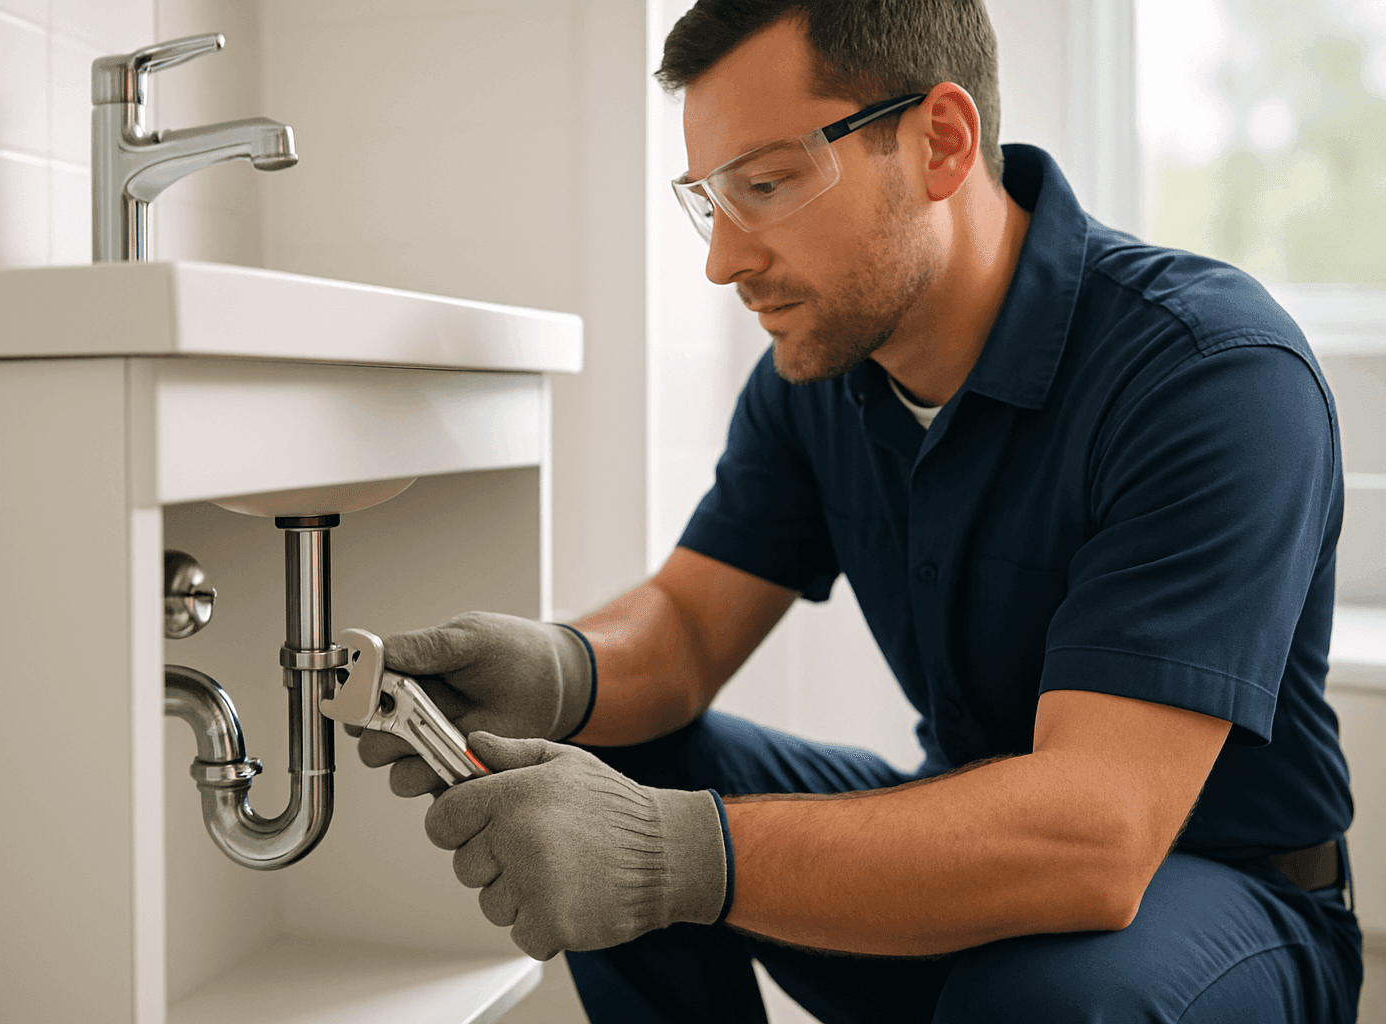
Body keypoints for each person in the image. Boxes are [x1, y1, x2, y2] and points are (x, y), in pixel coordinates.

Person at [351, 1, 1365, 1020]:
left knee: (1045, 1000)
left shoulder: (1206, 374)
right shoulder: (820, 375)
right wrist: (560, 668)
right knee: (604, 744)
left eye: (768, 184)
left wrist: (677, 855)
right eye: (713, 200)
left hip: (1224, 892)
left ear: (942, 142)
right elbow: (691, 625)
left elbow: (1093, 836)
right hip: (978, 862)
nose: (724, 261)